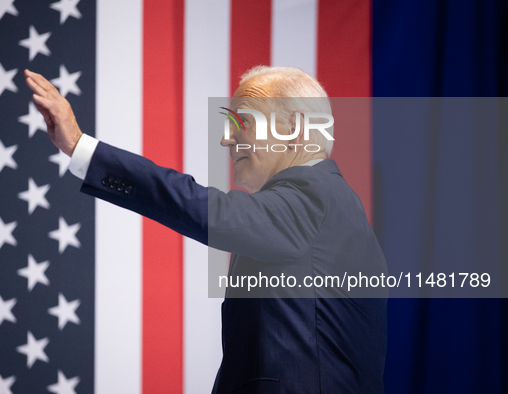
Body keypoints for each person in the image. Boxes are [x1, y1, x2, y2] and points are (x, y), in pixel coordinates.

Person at [25, 66, 388, 393]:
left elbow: (206, 209)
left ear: (294, 129)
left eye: (242, 122)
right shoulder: (324, 208)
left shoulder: (315, 196)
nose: (226, 139)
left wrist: (81, 148)